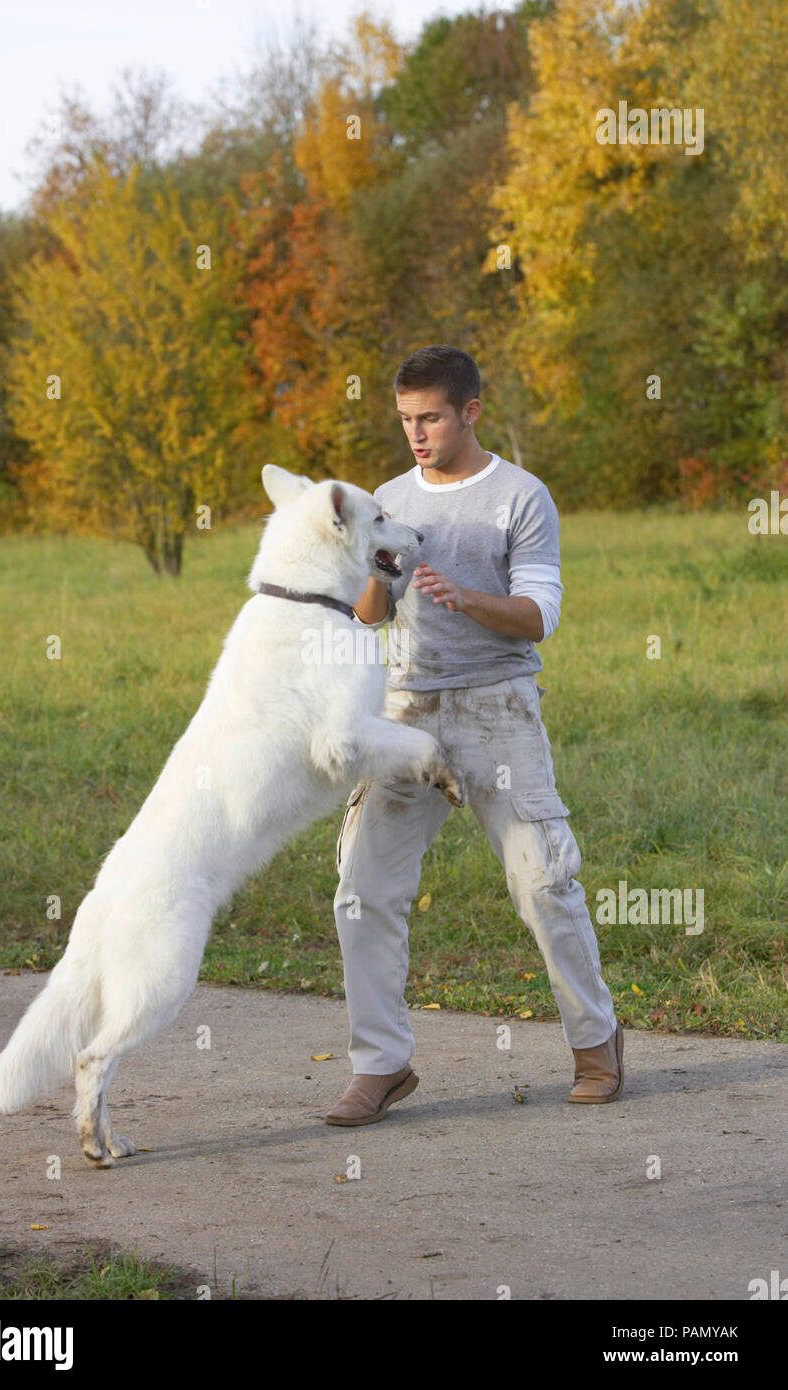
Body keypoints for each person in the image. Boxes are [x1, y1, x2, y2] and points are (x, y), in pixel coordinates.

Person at [325, 345, 624, 1126]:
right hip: (406, 712)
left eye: (429, 418)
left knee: (544, 881)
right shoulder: (389, 496)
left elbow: (540, 616)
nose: (416, 434)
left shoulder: (522, 497)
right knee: (364, 889)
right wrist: (369, 567)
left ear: (470, 412)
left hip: (497, 707)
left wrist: (466, 598)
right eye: (404, 420)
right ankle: (381, 1066)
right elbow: (370, 614)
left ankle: (596, 1044)